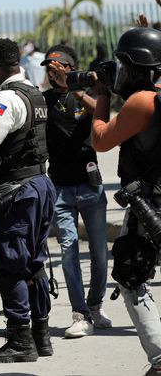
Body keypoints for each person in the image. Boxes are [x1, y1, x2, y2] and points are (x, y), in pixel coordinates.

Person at [0, 38, 55, 363]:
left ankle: (20, 339)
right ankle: (41, 335)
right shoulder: (34, 92)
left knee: (10, 264)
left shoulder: (5, 98)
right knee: (34, 264)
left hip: (16, 191)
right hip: (40, 183)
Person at [90, 27, 161, 375]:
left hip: (149, 206)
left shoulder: (142, 101)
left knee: (132, 276)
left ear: (136, 66)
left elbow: (101, 139)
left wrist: (102, 96)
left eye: (123, 65)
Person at [42, 45, 112, 338]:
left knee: (99, 252)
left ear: (72, 68)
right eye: (49, 69)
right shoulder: (44, 100)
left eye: (58, 67)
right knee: (69, 250)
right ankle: (80, 313)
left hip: (89, 184)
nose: (53, 73)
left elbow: (104, 116)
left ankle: (95, 304)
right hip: (59, 188)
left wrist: (76, 89)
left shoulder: (86, 95)